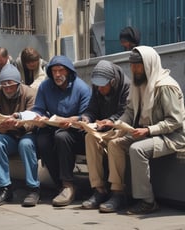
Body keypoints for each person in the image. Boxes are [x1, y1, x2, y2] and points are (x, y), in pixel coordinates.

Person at [104, 46, 185, 215]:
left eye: (138, 65)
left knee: (137, 149)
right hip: (145, 132)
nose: (134, 69)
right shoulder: (138, 84)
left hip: (171, 136)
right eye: (132, 65)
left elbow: (175, 121)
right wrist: (117, 124)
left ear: (149, 64)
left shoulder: (165, 86)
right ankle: (118, 193)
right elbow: (130, 111)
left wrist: (148, 130)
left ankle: (147, 201)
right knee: (114, 145)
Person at [32, 55, 91, 207]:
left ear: (69, 71)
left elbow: (87, 115)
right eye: (54, 71)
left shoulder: (81, 88)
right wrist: (40, 117)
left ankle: (68, 184)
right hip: (51, 126)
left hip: (75, 132)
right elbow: (38, 108)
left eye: (61, 70)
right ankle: (60, 184)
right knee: (42, 140)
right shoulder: (45, 87)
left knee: (62, 136)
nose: (57, 74)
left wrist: (74, 120)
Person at [79, 60, 130, 211]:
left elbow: (126, 113)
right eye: (97, 86)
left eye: (103, 86)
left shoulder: (126, 87)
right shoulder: (97, 87)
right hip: (103, 128)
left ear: (112, 82)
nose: (100, 89)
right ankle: (99, 189)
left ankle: (117, 192)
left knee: (115, 143)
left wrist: (111, 121)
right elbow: (92, 108)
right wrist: (86, 118)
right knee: (89, 138)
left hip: (120, 127)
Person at [0, 64, 40, 207]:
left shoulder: (30, 94)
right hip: (7, 134)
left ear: (18, 84)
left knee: (26, 144)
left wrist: (20, 124)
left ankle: (33, 188)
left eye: (11, 86)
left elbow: (35, 120)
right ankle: (5, 188)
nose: (8, 89)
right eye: (4, 86)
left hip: (26, 133)